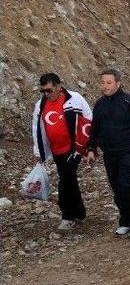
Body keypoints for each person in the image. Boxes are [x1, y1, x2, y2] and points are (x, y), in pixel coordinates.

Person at [86, 69, 130, 236]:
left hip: (128, 151)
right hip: (109, 152)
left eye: (109, 83)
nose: (105, 86)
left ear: (118, 83)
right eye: (102, 83)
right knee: (116, 187)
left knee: (125, 184)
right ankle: (124, 219)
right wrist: (91, 148)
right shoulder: (100, 104)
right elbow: (95, 128)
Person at [32, 73, 92, 231]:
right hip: (56, 150)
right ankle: (79, 212)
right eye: (43, 91)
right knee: (69, 179)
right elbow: (37, 128)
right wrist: (39, 151)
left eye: (49, 90)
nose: (46, 94)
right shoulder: (40, 105)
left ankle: (67, 215)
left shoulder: (75, 98)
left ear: (58, 86)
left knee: (65, 180)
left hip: (74, 148)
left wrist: (89, 146)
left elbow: (88, 119)